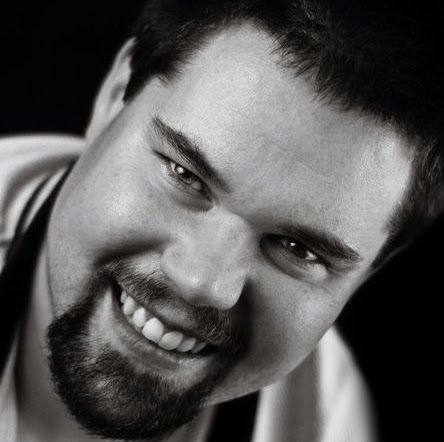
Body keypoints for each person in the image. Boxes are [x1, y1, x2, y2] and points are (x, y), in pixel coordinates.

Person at [0, 1, 443, 441]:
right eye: (184, 175)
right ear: (115, 97)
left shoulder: (328, 421)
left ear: (370, 272)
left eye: (298, 249)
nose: (200, 281)